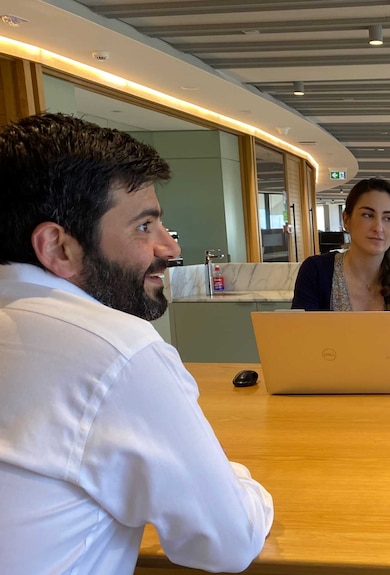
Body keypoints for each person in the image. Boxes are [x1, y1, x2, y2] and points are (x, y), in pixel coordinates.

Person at [0, 113, 274, 574]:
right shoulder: (113, 348)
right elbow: (228, 541)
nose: (168, 248)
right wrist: (233, 479)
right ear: (58, 248)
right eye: (144, 227)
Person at [292, 178, 390, 368]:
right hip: (330, 383)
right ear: (346, 220)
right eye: (367, 215)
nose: (379, 228)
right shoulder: (316, 270)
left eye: (388, 218)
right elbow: (299, 343)